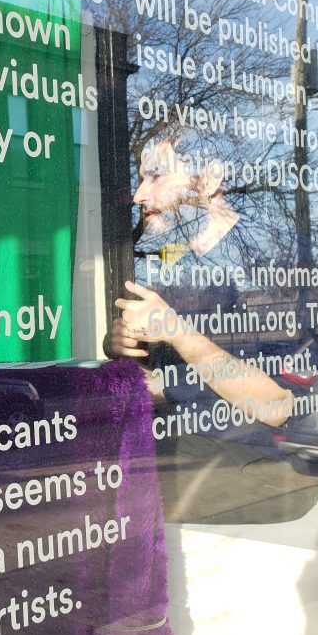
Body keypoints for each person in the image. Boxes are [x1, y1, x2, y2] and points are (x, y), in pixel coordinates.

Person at [108, 138, 292, 428]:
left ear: (208, 179)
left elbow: (276, 407)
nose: (138, 196)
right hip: (186, 452)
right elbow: (172, 379)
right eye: (142, 178)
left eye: (156, 176)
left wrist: (176, 332)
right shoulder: (177, 261)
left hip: (252, 465)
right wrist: (123, 346)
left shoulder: (269, 259)